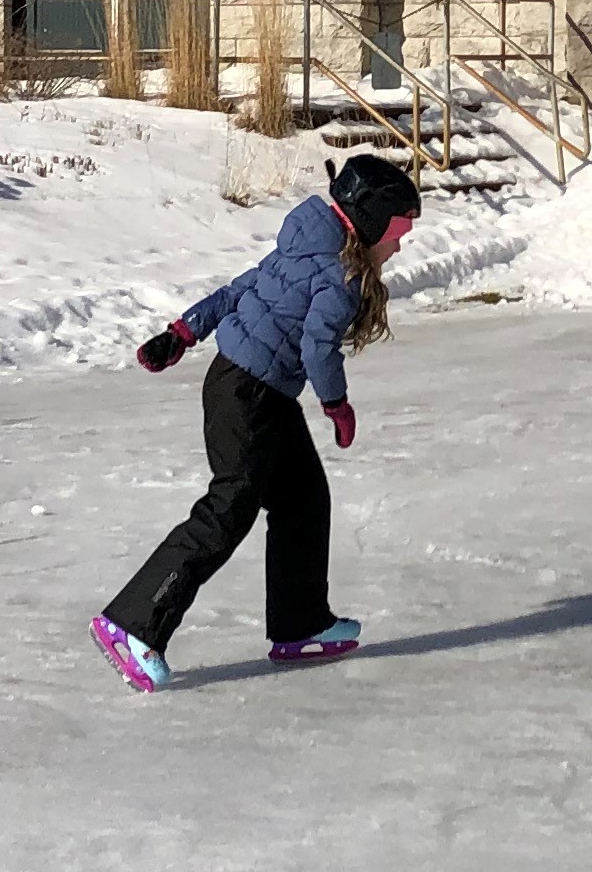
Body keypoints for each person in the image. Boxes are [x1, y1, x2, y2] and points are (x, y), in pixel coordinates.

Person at [91, 154, 421, 693]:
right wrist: (337, 406)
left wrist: (181, 333)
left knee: (302, 498)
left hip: (247, 387)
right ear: (371, 221)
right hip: (247, 397)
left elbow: (239, 289)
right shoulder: (340, 277)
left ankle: (300, 622)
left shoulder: (304, 245)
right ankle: (132, 624)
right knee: (228, 509)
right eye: (399, 232)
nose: (400, 245)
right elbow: (318, 350)